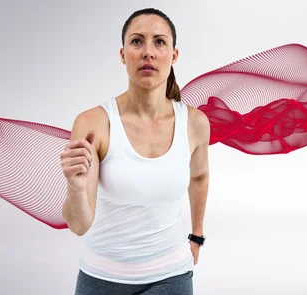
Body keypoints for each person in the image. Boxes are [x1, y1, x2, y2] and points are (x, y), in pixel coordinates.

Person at [60, 8, 210, 295]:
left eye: (159, 42)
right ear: (122, 54)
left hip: (172, 277)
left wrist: (197, 236)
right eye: (137, 41)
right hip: (100, 278)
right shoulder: (94, 123)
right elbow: (79, 225)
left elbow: (200, 177)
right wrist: (76, 187)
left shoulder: (195, 123)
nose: (148, 52)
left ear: (174, 55)